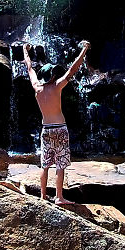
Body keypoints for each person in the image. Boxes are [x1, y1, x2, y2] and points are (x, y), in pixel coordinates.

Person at [23, 40, 91, 205]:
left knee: (45, 164)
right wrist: (84, 51)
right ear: (52, 76)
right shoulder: (57, 86)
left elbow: (29, 68)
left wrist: (25, 50)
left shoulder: (37, 87)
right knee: (60, 164)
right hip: (60, 129)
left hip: (46, 129)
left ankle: (43, 196)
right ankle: (59, 197)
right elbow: (72, 70)